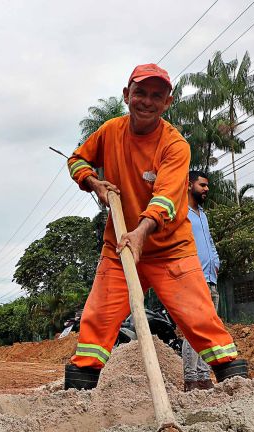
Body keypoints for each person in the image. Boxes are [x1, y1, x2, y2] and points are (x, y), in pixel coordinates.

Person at [63, 63, 243, 390]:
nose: (147, 101)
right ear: (126, 95)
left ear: (167, 103)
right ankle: (78, 397)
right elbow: (76, 160)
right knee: (98, 322)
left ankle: (239, 388)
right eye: (140, 93)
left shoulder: (174, 146)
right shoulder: (109, 132)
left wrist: (141, 232)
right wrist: (95, 183)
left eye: (156, 96)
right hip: (119, 248)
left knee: (201, 320)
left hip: (170, 251)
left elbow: (166, 198)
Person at [181, 171, 220, 391]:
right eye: (202, 185)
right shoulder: (181, 213)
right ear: (189, 185)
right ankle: (191, 379)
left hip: (210, 279)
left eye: (207, 186)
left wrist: (216, 262)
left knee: (208, 330)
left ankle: (204, 376)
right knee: (193, 329)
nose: (206, 189)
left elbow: (210, 242)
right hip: (192, 279)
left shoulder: (202, 214)